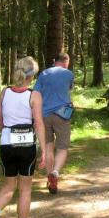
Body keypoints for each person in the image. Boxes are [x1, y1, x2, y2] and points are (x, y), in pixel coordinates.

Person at [0, 57, 46, 218]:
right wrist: (44, 150)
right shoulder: (34, 95)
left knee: (9, 185)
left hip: (7, 144)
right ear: (32, 75)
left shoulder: (5, 92)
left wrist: (7, 132)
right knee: (25, 189)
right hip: (27, 146)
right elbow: (38, 123)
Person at [35, 52, 74, 194]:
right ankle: (55, 172)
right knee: (62, 147)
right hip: (62, 115)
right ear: (66, 61)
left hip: (44, 115)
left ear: (54, 61)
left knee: (48, 147)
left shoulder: (43, 74)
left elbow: (36, 93)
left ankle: (49, 177)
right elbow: (68, 89)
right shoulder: (69, 74)